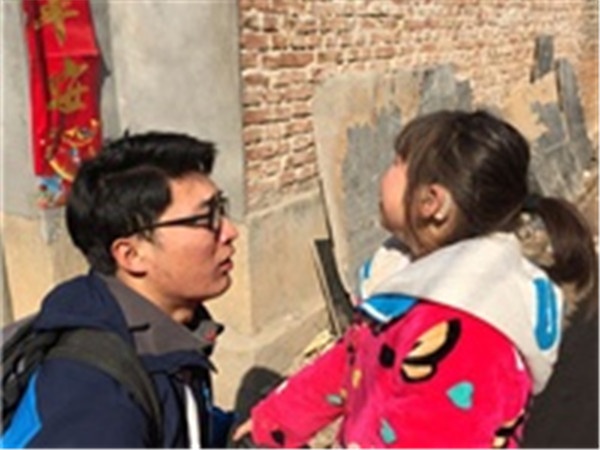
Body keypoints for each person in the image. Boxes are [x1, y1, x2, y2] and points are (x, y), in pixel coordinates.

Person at [233, 110, 597, 448]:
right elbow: (350, 361)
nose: (384, 173)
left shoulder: (470, 337)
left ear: (431, 202)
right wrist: (271, 425)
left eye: (397, 162)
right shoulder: (409, 280)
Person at [1, 132, 239, 447]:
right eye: (206, 218)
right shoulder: (96, 401)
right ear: (132, 255)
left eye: (221, 208)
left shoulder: (169, 334)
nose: (230, 231)